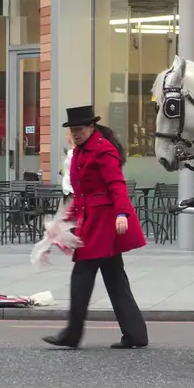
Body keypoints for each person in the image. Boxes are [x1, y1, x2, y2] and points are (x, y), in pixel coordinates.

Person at [42, 105, 149, 350]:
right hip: (93, 220)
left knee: (82, 274)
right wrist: (64, 220)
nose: (76, 134)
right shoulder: (81, 152)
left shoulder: (103, 150)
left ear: (91, 127)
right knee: (114, 278)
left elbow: (116, 184)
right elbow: (80, 193)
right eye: (73, 130)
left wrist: (121, 213)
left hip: (105, 221)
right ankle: (135, 334)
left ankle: (72, 333)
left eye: (79, 129)